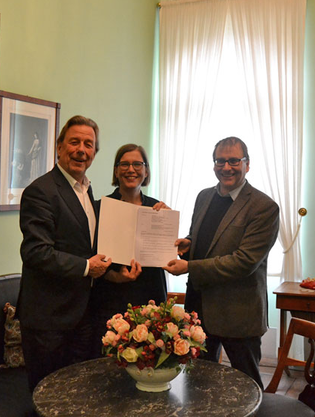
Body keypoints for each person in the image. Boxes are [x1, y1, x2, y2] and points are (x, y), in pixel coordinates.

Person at [163, 136, 280, 389]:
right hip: (199, 308)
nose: (226, 167)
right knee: (199, 384)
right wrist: (189, 246)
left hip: (238, 314)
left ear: (247, 164)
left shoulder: (264, 207)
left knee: (247, 387)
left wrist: (190, 267)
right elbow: (207, 239)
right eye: (220, 161)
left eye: (234, 160)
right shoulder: (204, 196)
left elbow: (244, 261)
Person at [17, 115, 112, 391]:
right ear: (59, 147)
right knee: (48, 396)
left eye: (88, 144)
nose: (81, 150)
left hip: (82, 315)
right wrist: (86, 267)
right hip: (49, 320)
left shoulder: (86, 190)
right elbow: (35, 252)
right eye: (74, 142)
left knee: (78, 395)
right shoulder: (41, 192)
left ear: (94, 152)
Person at [91, 144, 169, 351]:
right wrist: (115, 276)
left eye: (137, 164)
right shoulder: (99, 207)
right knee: (112, 359)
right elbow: (90, 255)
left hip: (150, 293)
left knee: (150, 357)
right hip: (111, 296)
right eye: (124, 164)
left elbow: (168, 254)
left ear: (146, 171)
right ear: (116, 171)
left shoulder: (158, 208)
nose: (131, 169)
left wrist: (167, 222)